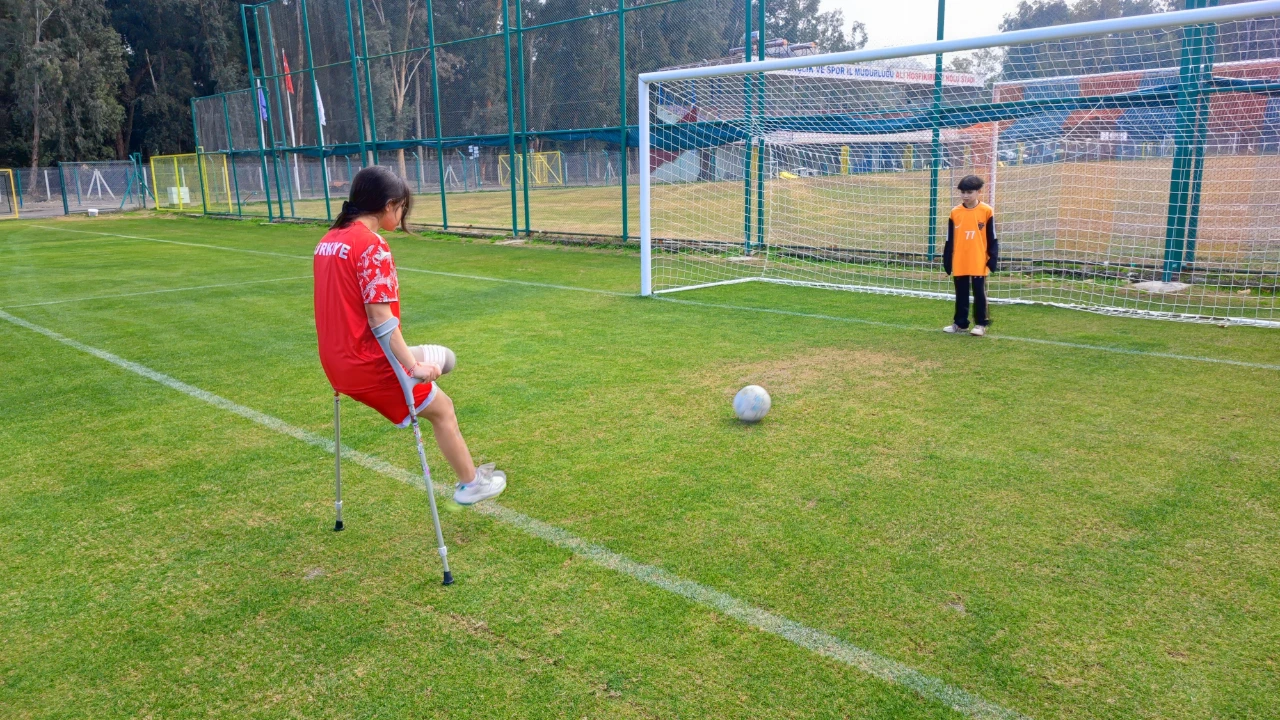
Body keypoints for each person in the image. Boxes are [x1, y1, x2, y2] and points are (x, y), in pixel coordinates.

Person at [313, 166, 506, 505]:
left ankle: (434, 366)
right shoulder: (372, 245)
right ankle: (471, 484)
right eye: (402, 207)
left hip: (337, 362)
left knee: (446, 359)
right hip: (368, 364)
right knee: (443, 409)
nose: (402, 214)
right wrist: (413, 367)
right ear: (390, 205)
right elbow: (380, 320)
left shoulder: (328, 241)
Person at [942, 175, 999, 336]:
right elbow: (949, 238)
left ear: (978, 192)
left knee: (979, 293)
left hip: (978, 259)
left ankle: (981, 324)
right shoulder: (955, 212)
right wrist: (947, 260)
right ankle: (960, 323)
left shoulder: (986, 211)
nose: (965, 196)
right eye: (963, 192)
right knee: (961, 293)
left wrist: (992, 258)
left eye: (969, 192)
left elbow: (992, 237)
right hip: (960, 259)